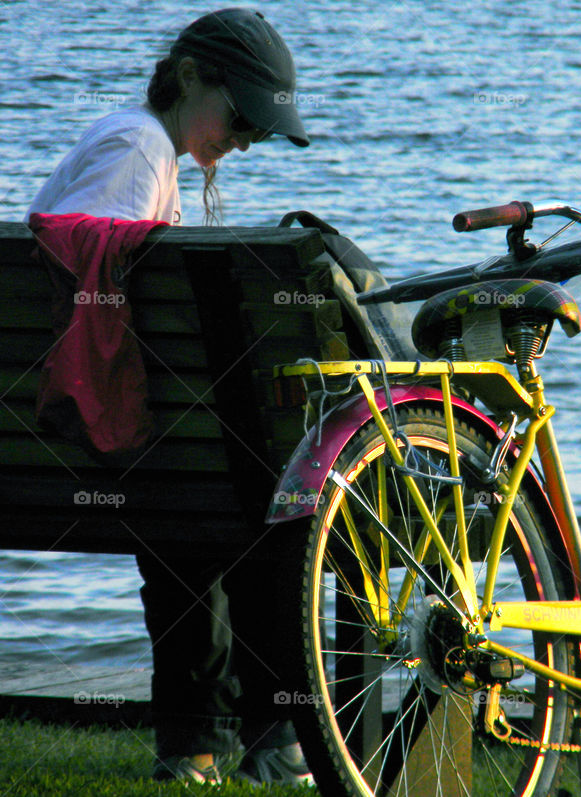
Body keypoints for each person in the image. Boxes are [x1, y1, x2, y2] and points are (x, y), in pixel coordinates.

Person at [26, 9, 314, 786]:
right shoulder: (138, 149)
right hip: (127, 443)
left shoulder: (138, 145)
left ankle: (199, 745)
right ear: (190, 76)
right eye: (243, 117)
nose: (246, 140)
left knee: (203, 514)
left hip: (68, 452)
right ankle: (271, 738)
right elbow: (101, 280)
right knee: (263, 509)